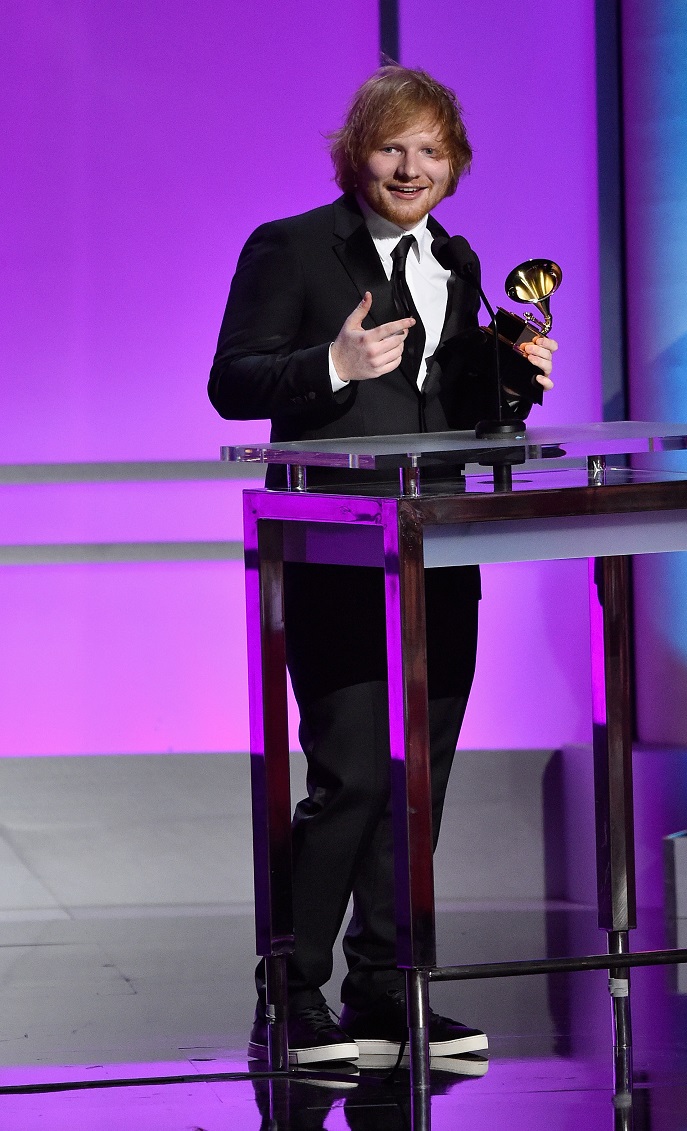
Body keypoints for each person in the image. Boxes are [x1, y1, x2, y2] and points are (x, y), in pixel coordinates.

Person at [209, 64, 557, 1067]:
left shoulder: (457, 260)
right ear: (354, 155)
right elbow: (231, 382)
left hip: (437, 551)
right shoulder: (289, 249)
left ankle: (383, 987)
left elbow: (462, 418)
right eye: (390, 147)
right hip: (334, 551)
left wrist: (513, 375)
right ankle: (290, 994)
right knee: (353, 777)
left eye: (430, 152)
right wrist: (332, 365)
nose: (410, 168)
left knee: (419, 782)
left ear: (454, 167)